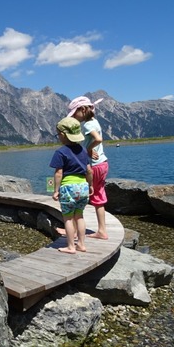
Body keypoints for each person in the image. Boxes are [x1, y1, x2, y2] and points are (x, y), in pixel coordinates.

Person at [49, 117, 93, 254]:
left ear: (62, 135)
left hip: (68, 188)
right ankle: (81, 244)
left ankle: (70, 246)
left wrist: (55, 190)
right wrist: (90, 185)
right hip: (83, 187)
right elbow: (89, 171)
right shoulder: (84, 151)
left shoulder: (60, 152)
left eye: (58, 135)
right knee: (79, 216)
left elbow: (58, 174)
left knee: (67, 218)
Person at [68, 96, 109, 240]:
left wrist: (89, 149)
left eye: (75, 113)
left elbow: (98, 139)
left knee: (77, 195)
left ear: (83, 110)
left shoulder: (86, 125)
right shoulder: (95, 121)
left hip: (94, 167)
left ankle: (72, 230)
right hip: (103, 164)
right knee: (98, 197)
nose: (74, 116)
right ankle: (102, 230)